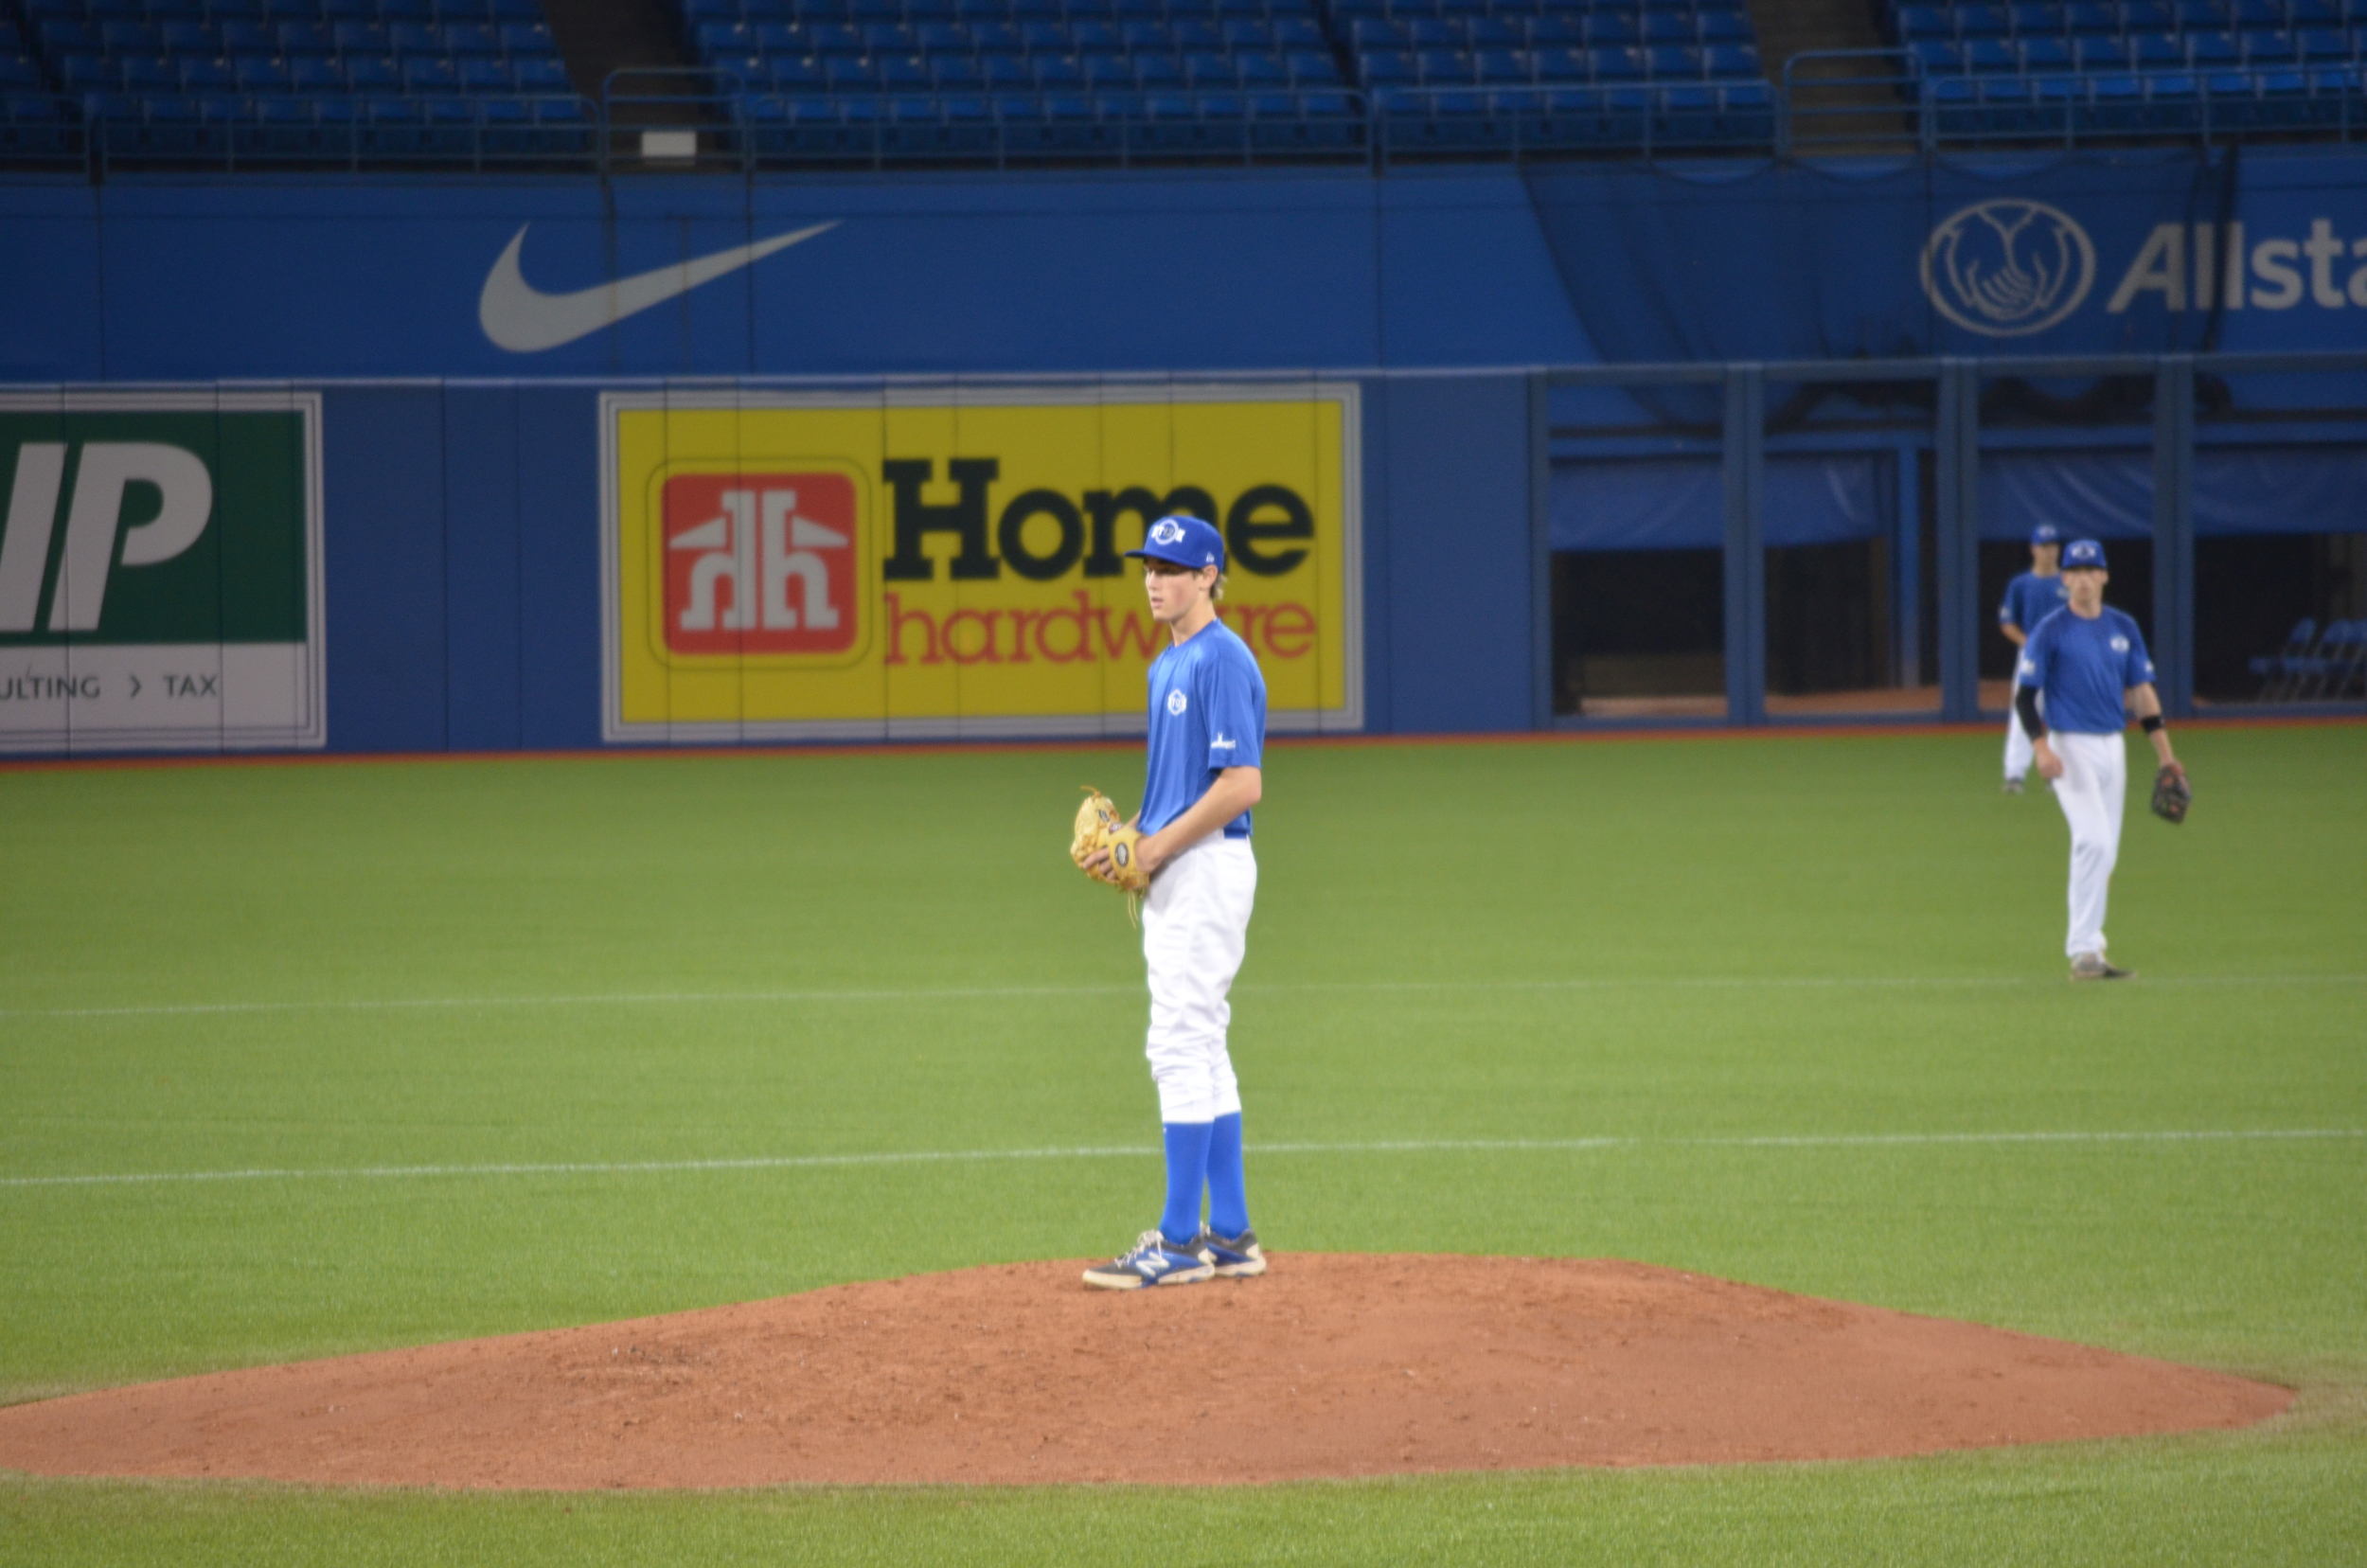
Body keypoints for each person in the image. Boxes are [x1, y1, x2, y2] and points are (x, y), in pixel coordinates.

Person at [1081, 513, 1270, 1290]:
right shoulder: (1168, 664)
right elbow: (1182, 789)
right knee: (1204, 1041)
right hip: (1179, 867)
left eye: (1171, 566)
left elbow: (1242, 785)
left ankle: (1177, 1241)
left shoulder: (1221, 658)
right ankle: (1228, 1233)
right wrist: (1130, 837)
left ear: (1208, 577)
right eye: (1148, 565)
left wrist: (1156, 848)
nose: (1154, 579)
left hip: (1205, 869)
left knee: (1178, 1044)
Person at [2015, 539, 2185, 981]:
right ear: (2065, 579)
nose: (2084, 578)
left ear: (2104, 576)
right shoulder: (2050, 630)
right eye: (2075, 571)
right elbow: (2024, 696)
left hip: (2114, 746)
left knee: (2106, 852)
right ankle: (2084, 952)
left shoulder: (2124, 627)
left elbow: (2142, 693)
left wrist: (2166, 757)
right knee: (2093, 841)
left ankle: (2092, 946)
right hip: (2070, 747)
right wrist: (2041, 747)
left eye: (2092, 571)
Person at [1997, 524, 2068, 793]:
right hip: (2031, 656)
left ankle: (2056, 774)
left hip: (2064, 655)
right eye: (2043, 546)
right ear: (2033, 549)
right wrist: (2028, 643)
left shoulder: (2069, 580)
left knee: (2062, 713)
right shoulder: (2021, 584)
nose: (2049, 551)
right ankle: (2015, 774)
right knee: (2023, 711)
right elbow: (2007, 622)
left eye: (2053, 546)